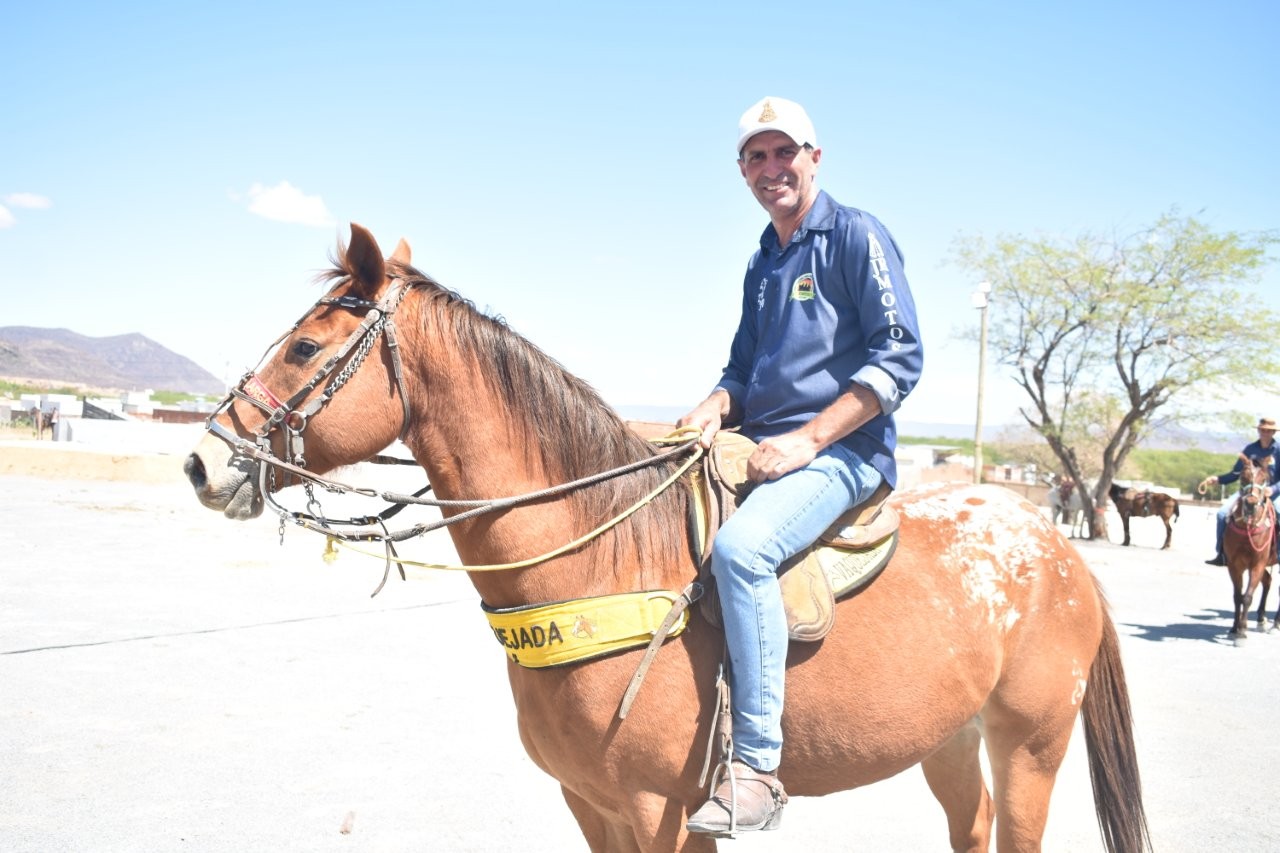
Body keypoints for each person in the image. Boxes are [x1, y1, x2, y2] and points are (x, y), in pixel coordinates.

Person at [680, 96, 923, 836]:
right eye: (756, 156)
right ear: (742, 171)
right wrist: (714, 405)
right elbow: (742, 367)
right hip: (764, 445)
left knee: (742, 550)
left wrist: (810, 440)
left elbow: (900, 356)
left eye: (784, 152)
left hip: (844, 451)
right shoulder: (764, 259)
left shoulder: (855, 234)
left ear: (815, 158)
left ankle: (755, 767)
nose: (771, 168)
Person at [1203, 417, 1279, 566]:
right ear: (1258, 431)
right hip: (1248, 492)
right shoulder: (1249, 449)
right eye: (1262, 430)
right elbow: (1236, 473)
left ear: (1273, 432)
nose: (1265, 433)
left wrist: (1273, 489)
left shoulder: (1279, 450)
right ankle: (1222, 554)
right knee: (1222, 514)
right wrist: (1218, 479)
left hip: (1273, 493)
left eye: (1268, 431)